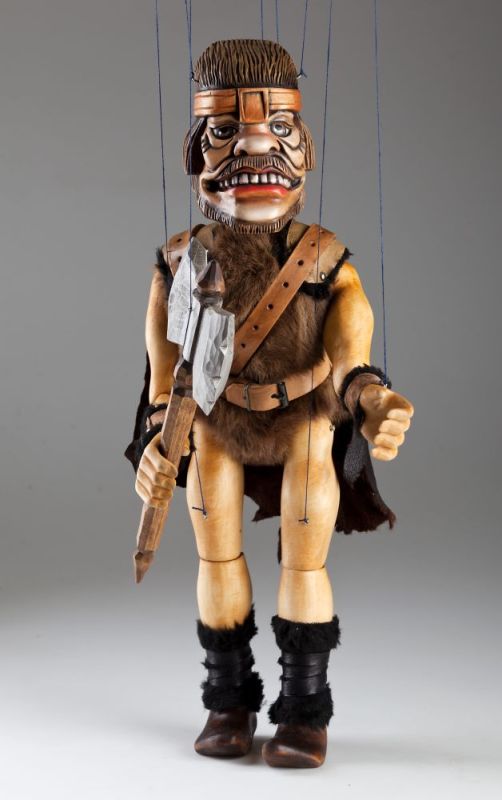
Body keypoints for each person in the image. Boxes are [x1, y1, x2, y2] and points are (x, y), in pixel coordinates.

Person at [126, 39, 413, 768]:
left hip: (305, 420)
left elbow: (351, 353)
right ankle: (228, 702)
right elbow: (165, 373)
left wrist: (372, 398)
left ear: (304, 147)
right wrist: (157, 442)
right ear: (195, 149)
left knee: (304, 563)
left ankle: (303, 713)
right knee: (215, 553)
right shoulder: (177, 261)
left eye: (278, 128)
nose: (256, 147)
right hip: (215, 423)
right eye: (226, 131)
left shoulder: (325, 262)